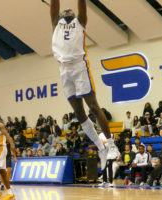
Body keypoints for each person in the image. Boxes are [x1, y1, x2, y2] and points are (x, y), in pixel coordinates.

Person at [49, 0, 119, 170]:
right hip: (64, 70)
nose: (67, 11)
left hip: (79, 67)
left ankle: (111, 145)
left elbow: (81, 4)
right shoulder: (55, 23)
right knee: (79, 113)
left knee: (94, 107)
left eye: (70, 10)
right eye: (65, 10)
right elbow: (54, 4)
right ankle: (101, 147)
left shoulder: (80, 22)